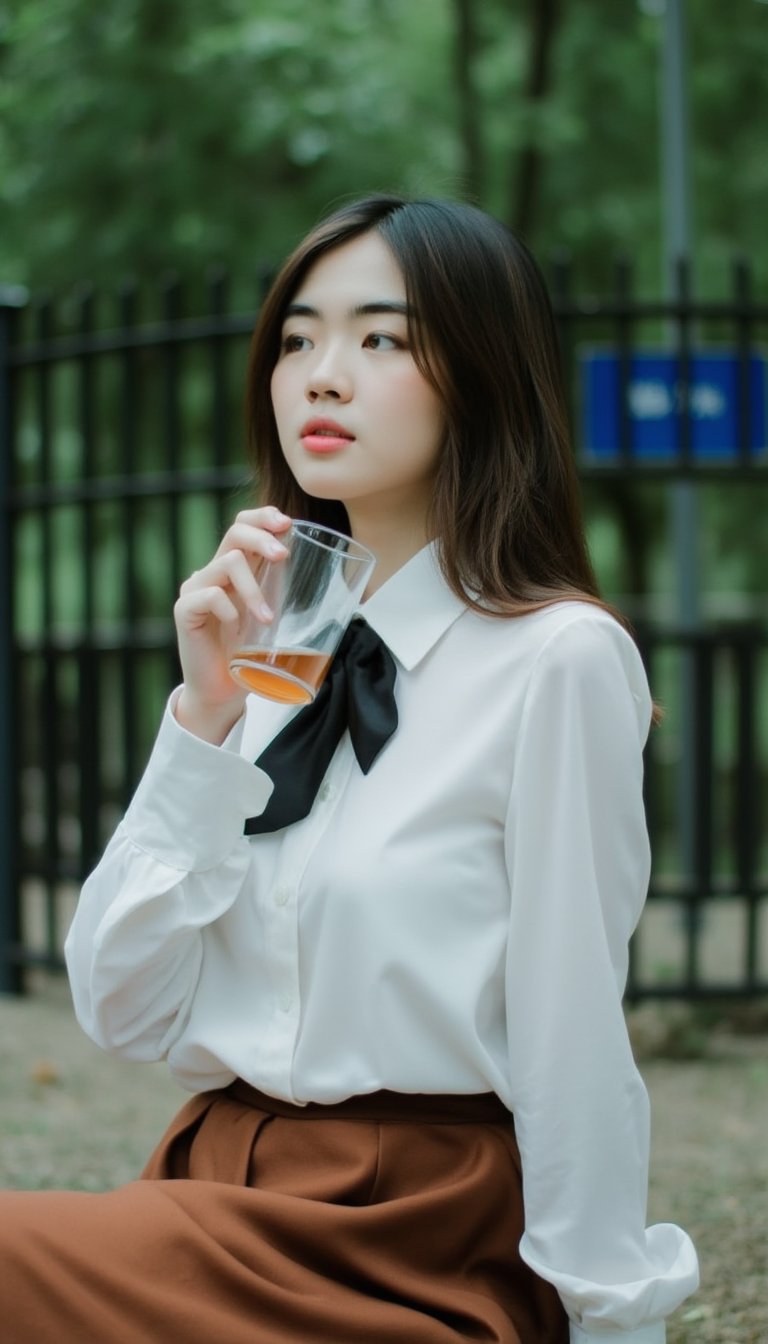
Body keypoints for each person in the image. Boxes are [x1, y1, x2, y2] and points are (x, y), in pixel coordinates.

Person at [1, 195, 699, 1343]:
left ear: (481, 372)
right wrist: (203, 722)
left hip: (409, 1229)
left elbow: (574, 1026)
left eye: (381, 338)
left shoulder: (559, 659)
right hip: (204, 1186)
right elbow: (122, 1009)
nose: (321, 376)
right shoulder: (272, 657)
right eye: (296, 338)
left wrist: (610, 1317)